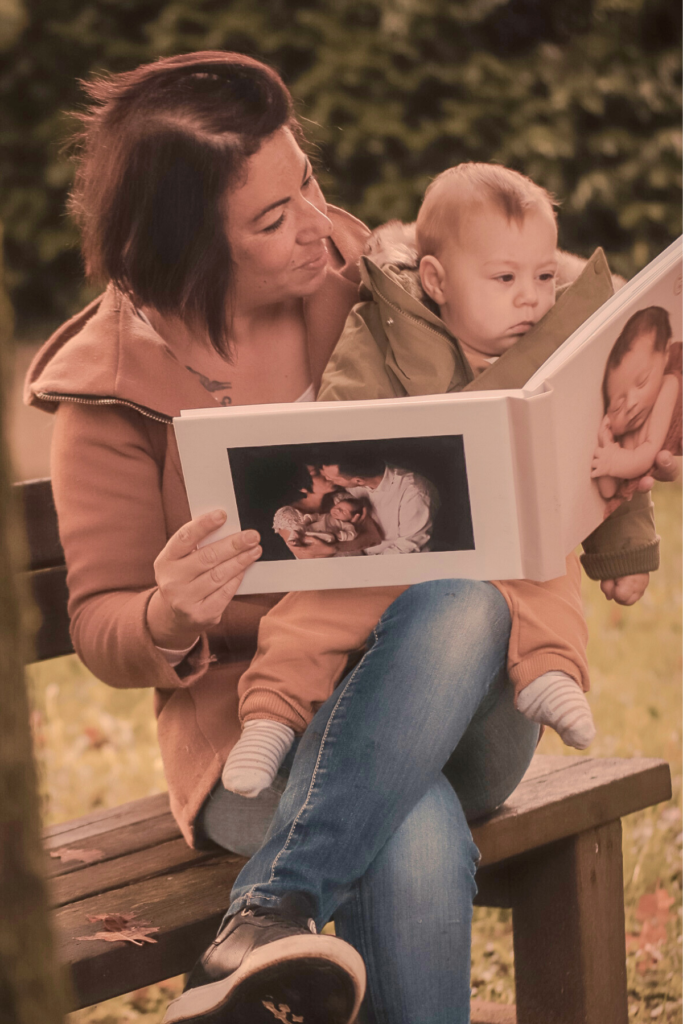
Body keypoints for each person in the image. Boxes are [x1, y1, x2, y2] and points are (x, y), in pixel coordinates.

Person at [24, 53, 662, 1024]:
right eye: (272, 220)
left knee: (453, 596)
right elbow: (104, 626)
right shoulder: (107, 391)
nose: (317, 225)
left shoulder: (365, 286)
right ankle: (268, 924)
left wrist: (622, 433)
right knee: (406, 826)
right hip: (253, 740)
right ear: (183, 246)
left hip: (461, 692)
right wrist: (164, 611)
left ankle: (264, 912)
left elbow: (535, 369)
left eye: (307, 184)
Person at [221, 163, 627, 800]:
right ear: (436, 280)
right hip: (387, 542)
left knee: (549, 575)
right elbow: (340, 425)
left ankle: (550, 672)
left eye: (545, 277)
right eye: (505, 279)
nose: (531, 297)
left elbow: (611, 448)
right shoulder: (380, 331)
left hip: (505, 553)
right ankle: (270, 717)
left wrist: (623, 552)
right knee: (310, 611)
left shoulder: (559, 349)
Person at [592, 306, 681, 510]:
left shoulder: (669, 385)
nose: (631, 403)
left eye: (641, 382)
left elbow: (649, 451)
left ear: (665, 356)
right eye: (618, 405)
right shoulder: (627, 434)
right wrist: (607, 444)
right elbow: (608, 491)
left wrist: (614, 462)